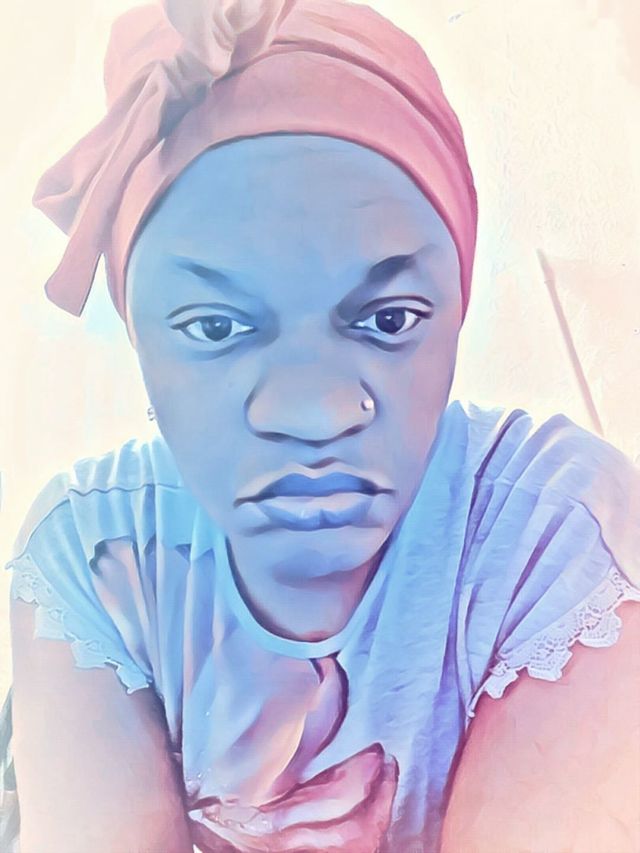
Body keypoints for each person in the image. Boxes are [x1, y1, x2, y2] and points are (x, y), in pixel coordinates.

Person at [1, 1, 639, 851]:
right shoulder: (97, 558)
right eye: (216, 327)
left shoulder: (555, 533)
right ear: (136, 338)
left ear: (457, 311)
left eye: (388, 319)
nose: (313, 411)